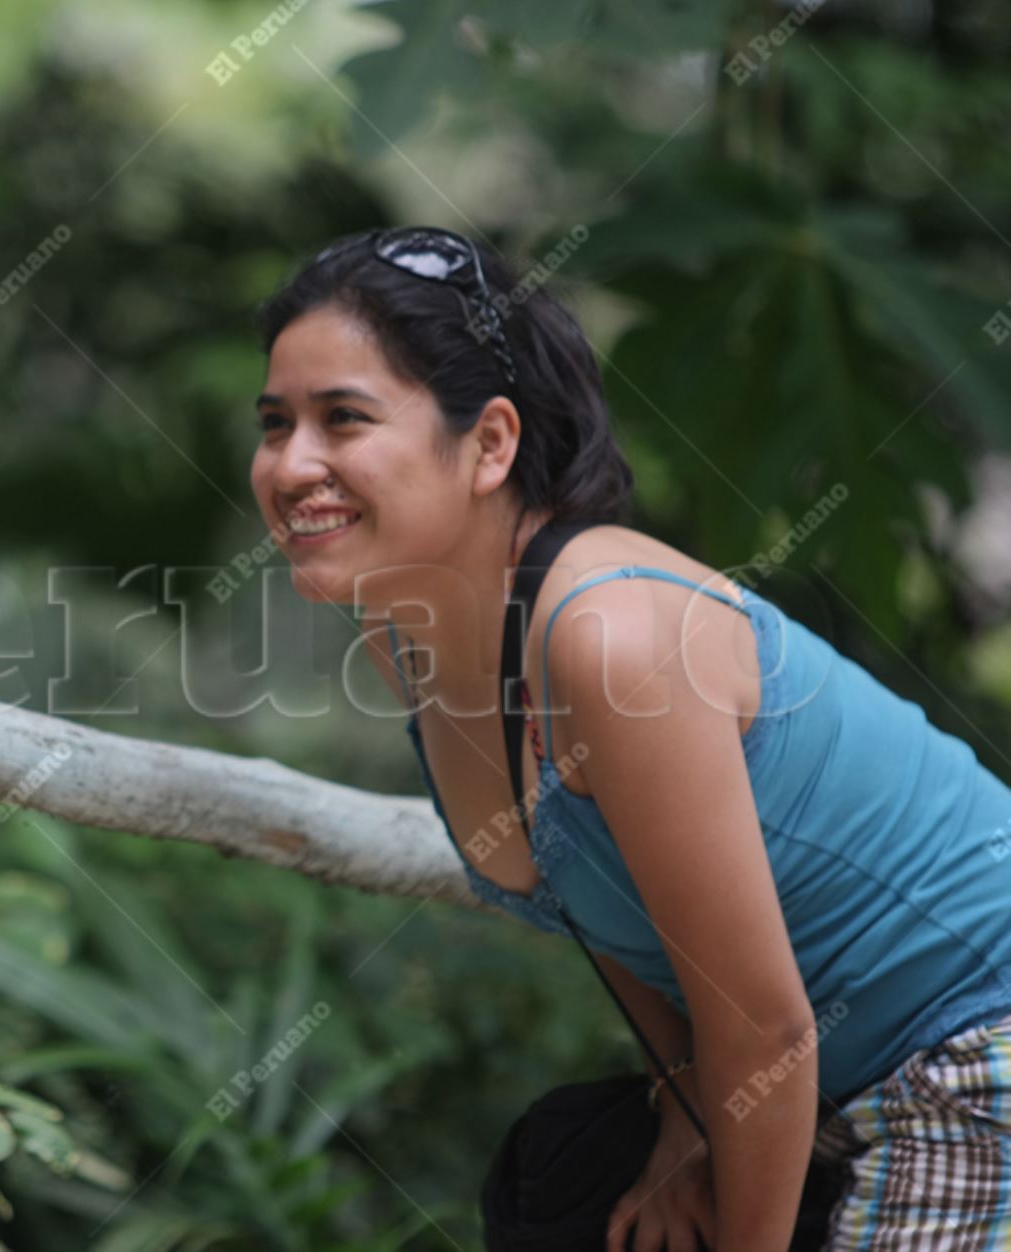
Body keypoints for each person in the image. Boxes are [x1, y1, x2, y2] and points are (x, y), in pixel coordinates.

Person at [249, 225, 1011, 1250]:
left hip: (972, 1056)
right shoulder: (409, 635)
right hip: (836, 1092)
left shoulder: (613, 637)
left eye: (343, 419)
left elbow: (770, 1031)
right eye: (275, 423)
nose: (293, 464)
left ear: (491, 444)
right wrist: (682, 1122)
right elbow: (630, 924)